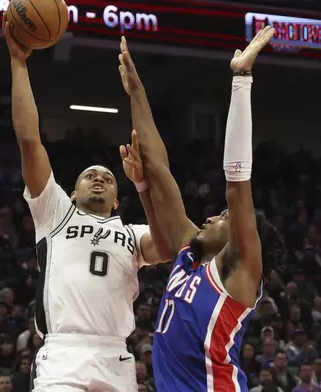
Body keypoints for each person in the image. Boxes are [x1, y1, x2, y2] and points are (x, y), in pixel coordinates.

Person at [1, 14, 170, 392]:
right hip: (64, 352)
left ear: (116, 200)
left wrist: (144, 183)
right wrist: (19, 62)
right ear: (72, 191)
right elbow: (30, 140)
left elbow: (167, 246)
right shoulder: (55, 211)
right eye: (89, 176)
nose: (99, 178)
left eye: (108, 178)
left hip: (115, 354)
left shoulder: (131, 233)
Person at [118, 26, 281, 391]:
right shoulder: (188, 258)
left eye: (222, 218)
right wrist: (136, 92)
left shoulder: (239, 272)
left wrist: (241, 80)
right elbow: (158, 170)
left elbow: (238, 189)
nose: (210, 217)